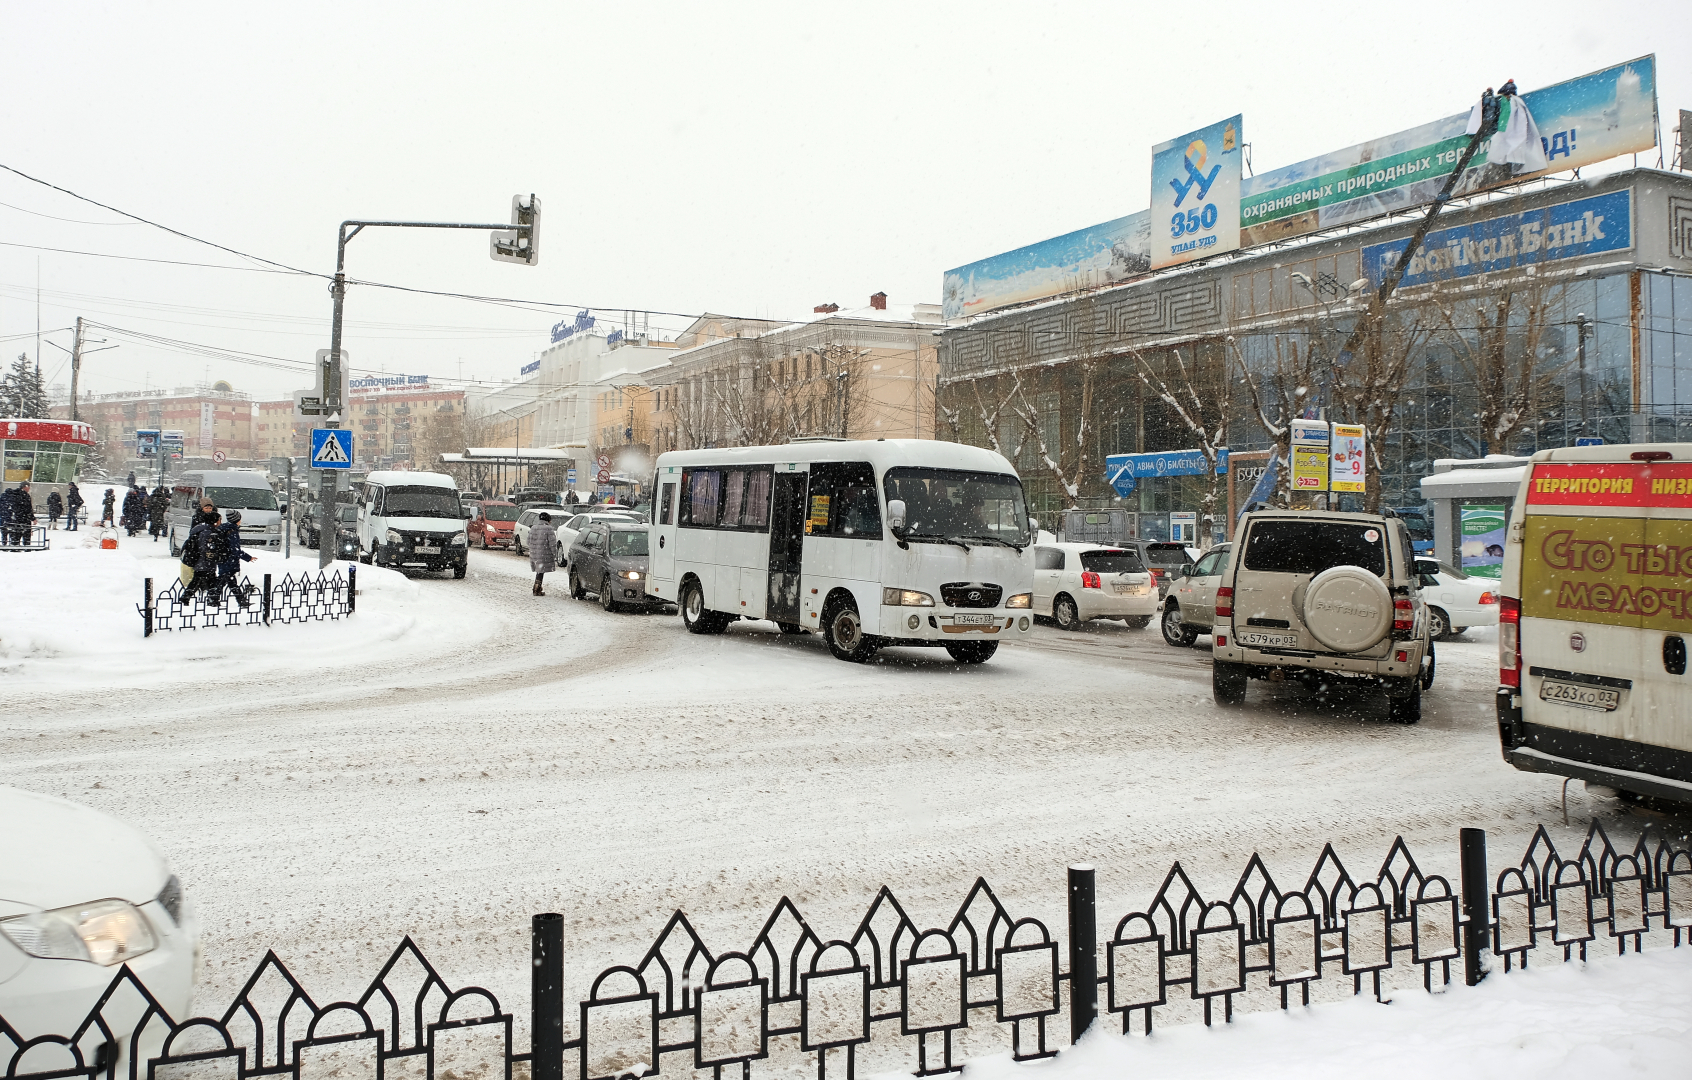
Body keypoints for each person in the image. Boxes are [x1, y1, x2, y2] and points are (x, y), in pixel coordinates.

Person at [177, 508, 225, 606]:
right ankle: (212, 600)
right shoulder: (208, 533)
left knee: (199, 580)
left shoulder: (200, 530)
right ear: (215, 522)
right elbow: (205, 548)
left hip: (200, 561)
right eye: (220, 520)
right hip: (204, 561)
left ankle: (186, 597)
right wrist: (213, 554)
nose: (220, 522)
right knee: (209, 580)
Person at [213, 509, 257, 608]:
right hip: (229, 560)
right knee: (226, 581)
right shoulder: (232, 531)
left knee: (229, 581)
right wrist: (248, 558)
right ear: (237, 520)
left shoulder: (223, 528)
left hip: (223, 559)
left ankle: (240, 601)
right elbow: (235, 549)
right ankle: (214, 598)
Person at [528, 511, 557, 596]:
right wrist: (554, 553)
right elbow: (552, 543)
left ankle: (537, 587)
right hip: (544, 554)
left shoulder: (533, 528)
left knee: (539, 570)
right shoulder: (549, 529)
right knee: (540, 571)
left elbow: (528, 541)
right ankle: (537, 588)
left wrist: (534, 548)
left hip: (534, 553)